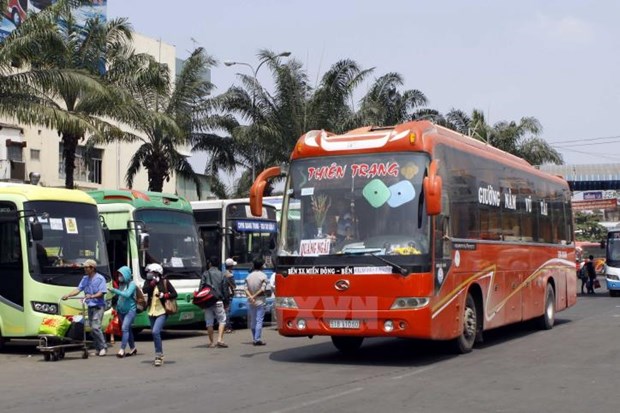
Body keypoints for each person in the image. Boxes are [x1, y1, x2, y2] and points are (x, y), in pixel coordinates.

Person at [61, 259, 108, 356]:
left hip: (98, 306)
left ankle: (103, 347)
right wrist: (68, 295)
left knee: (96, 327)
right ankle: (98, 349)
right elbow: (78, 289)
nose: (85, 269)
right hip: (90, 306)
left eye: (86, 267)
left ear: (92, 268)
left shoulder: (100, 278)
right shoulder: (85, 279)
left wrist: (92, 296)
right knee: (92, 328)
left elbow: (102, 292)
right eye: (84, 267)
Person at [142, 262, 177, 366]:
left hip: (162, 311)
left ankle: (158, 355)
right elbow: (145, 290)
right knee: (154, 333)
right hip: (151, 311)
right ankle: (160, 354)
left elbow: (174, 293)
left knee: (155, 332)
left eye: (151, 272)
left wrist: (164, 295)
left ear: (157, 273)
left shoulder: (165, 282)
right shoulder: (148, 282)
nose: (149, 273)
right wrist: (152, 283)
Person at [199, 256, 229, 348]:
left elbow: (201, 288)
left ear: (210, 264)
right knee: (222, 320)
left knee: (209, 322)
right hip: (219, 301)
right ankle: (220, 339)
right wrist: (226, 303)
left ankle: (212, 342)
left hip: (208, 301)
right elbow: (225, 290)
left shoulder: (205, 274)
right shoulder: (222, 274)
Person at [109, 266, 138, 358]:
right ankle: (133, 348)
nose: (119, 276)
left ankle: (122, 349)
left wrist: (115, 290)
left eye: (121, 274)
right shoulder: (121, 284)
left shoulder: (132, 284)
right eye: (119, 274)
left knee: (124, 328)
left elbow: (127, 294)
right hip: (121, 311)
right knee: (128, 329)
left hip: (130, 310)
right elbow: (119, 297)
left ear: (126, 275)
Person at [245, 258, 268, 346]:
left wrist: (251, 297)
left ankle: (255, 338)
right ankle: (257, 339)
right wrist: (254, 296)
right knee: (259, 320)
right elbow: (263, 289)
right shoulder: (263, 276)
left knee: (253, 321)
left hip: (251, 301)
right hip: (260, 300)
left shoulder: (249, 276)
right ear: (261, 266)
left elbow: (245, 288)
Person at [223, 258, 237, 333]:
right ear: (231, 266)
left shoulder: (223, 273)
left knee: (225, 310)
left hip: (224, 293)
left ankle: (225, 325)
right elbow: (234, 286)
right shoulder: (230, 275)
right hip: (229, 293)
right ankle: (227, 326)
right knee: (227, 310)